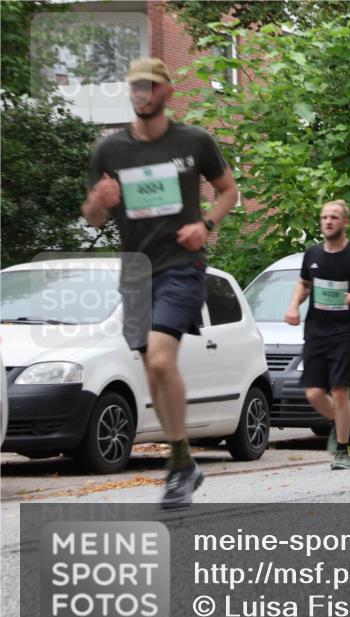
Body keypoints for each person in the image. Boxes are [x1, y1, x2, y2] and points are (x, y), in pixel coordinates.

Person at [82, 58, 238, 508]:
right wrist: (99, 200)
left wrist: (205, 225)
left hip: (181, 264)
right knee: (152, 365)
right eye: (134, 87)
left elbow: (229, 190)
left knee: (163, 359)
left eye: (149, 86)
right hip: (135, 269)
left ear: (167, 91)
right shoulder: (109, 151)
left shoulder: (194, 141)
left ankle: (178, 462)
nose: (140, 93)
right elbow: (92, 217)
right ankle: (184, 463)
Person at [284, 201, 350, 469]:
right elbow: (304, 283)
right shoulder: (312, 254)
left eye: (334, 217)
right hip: (316, 331)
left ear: (345, 223)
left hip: (346, 332)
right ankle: (338, 422)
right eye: (324, 217)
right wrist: (294, 305)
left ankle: (342, 450)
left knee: (340, 391)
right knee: (313, 393)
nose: (328, 221)